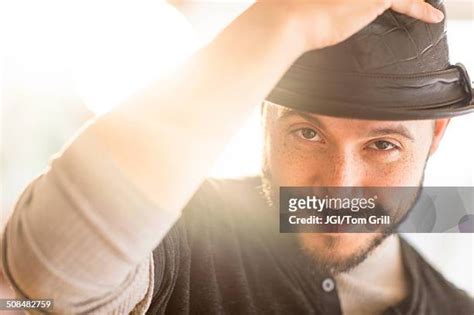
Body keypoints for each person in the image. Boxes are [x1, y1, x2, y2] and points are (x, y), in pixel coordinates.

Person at [1, 0, 473, 314]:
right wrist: (281, 25)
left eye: (382, 145)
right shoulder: (177, 231)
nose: (338, 186)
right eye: (307, 132)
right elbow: (43, 289)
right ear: (264, 120)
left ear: (435, 135)